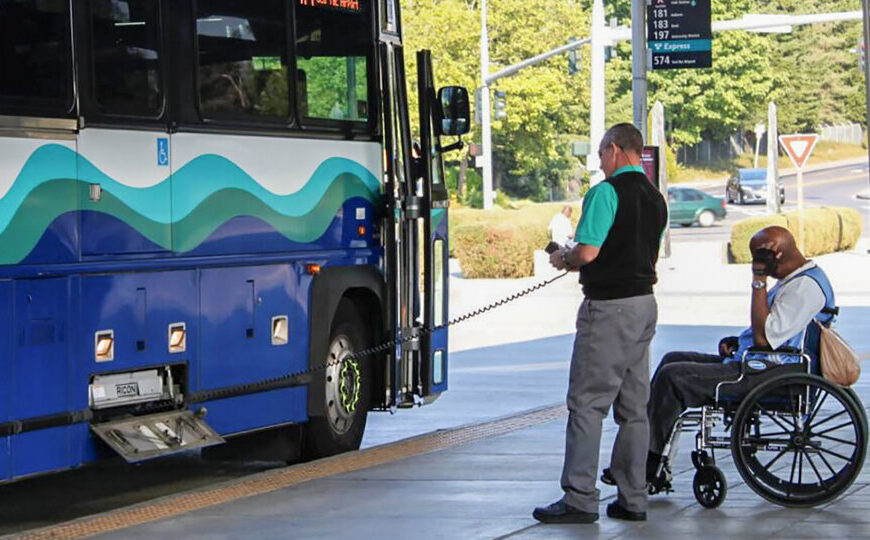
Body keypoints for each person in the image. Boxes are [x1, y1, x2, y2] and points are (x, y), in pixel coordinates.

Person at [533, 123, 668, 524]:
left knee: (587, 405)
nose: (598, 161)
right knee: (634, 409)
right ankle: (633, 497)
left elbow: (589, 252)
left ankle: (579, 497)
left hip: (609, 309)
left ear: (614, 149)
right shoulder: (654, 197)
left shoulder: (605, 192)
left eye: (599, 153)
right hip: (645, 304)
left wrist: (565, 258)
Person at [643, 225, 836, 490]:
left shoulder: (805, 287)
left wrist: (758, 281)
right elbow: (772, 331)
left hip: (770, 373)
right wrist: (738, 341)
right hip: (761, 363)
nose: (758, 264)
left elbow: (765, 339)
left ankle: (648, 463)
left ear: (775, 254)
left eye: (760, 257)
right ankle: (650, 454)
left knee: (673, 377)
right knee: (672, 358)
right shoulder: (797, 279)